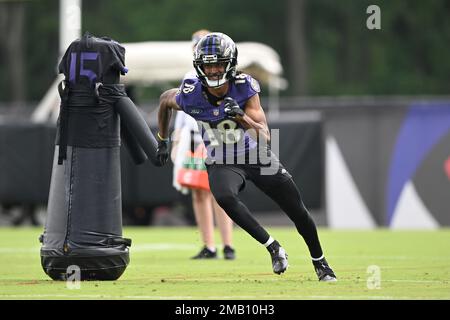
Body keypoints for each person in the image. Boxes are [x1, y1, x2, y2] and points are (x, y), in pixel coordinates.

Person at [154, 32, 336, 281]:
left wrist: (240, 116)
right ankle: (273, 247)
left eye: (219, 63)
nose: (214, 70)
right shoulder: (191, 93)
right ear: (199, 66)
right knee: (224, 196)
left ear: (230, 64)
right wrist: (162, 140)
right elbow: (165, 101)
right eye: (208, 64)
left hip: (256, 154)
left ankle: (320, 262)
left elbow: (265, 135)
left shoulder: (244, 87)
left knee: (296, 209)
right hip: (222, 159)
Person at [171, 29, 235, 260]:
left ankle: (228, 244)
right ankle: (210, 245)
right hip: (194, 139)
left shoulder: (225, 75)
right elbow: (181, 111)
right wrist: (177, 140)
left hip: (214, 138)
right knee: (199, 193)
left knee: (220, 193)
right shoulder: (190, 75)